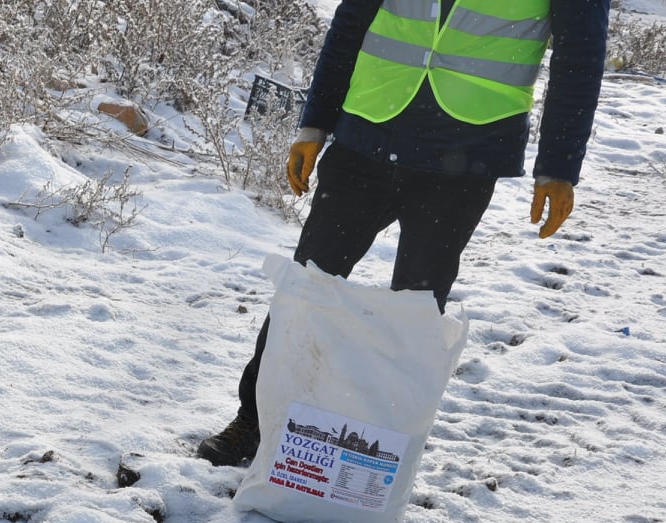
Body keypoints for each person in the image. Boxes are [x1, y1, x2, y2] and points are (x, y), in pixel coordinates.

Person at [196, 0, 609, 467]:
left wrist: (558, 166)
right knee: (306, 287)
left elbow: (580, 56)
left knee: (414, 314)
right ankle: (253, 420)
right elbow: (351, 22)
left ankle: (375, 452)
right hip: (367, 134)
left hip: (464, 158)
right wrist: (315, 124)